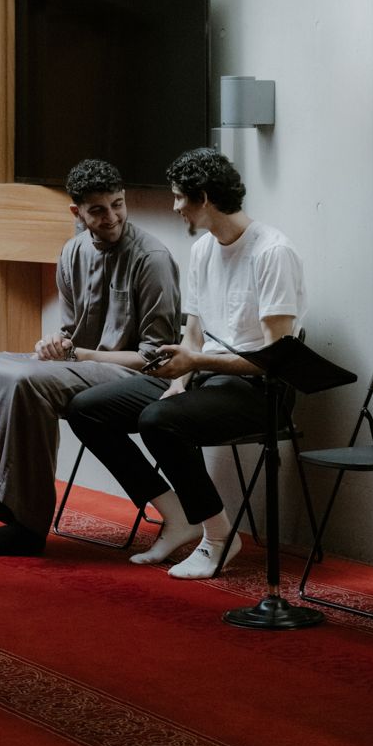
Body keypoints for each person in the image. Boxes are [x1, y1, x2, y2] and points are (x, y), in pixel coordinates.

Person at [66, 147, 305, 579]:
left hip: (259, 389)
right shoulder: (202, 251)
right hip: (202, 377)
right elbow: (193, 333)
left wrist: (194, 364)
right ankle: (177, 517)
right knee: (86, 409)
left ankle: (218, 537)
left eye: (179, 197)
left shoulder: (272, 252)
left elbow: (278, 359)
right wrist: (183, 374)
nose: (174, 207)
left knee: (159, 421)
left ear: (205, 199)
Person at [0, 158, 180, 557]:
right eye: (98, 210)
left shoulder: (152, 259)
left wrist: (75, 352)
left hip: (134, 376)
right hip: (76, 365)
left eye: (118, 204)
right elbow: (69, 334)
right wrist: (54, 343)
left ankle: (26, 525)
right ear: (76, 212)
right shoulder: (72, 251)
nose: (111, 217)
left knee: (26, 382)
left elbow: (159, 360)